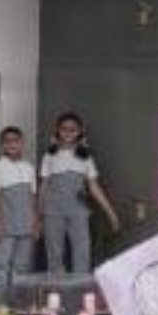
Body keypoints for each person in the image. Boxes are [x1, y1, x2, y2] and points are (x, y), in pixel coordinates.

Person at [38, 112, 119, 275]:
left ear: (79, 131)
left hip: (78, 212)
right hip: (52, 211)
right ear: (58, 130)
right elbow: (44, 186)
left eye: (72, 129)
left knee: (82, 252)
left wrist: (111, 214)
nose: (68, 133)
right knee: (54, 255)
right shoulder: (49, 155)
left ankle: (80, 289)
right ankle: (57, 289)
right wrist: (38, 216)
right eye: (64, 129)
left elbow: (94, 187)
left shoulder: (85, 156)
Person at [0, 126, 38, 305]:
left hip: (26, 227)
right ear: (2, 145)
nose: (12, 145)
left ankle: (18, 305)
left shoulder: (29, 168)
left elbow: (32, 198)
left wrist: (36, 223)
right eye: (7, 142)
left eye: (15, 141)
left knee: (22, 268)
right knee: (0, 266)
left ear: (22, 143)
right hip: (5, 228)